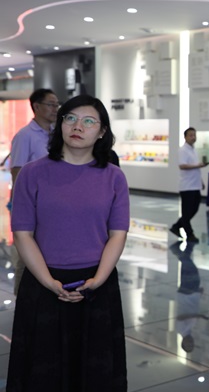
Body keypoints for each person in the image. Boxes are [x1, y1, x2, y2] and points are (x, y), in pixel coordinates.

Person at [8, 94, 129, 391]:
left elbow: (118, 233)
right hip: (43, 282)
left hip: (96, 284)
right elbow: (22, 233)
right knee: (42, 372)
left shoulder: (114, 177)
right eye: (70, 118)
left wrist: (98, 280)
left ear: (101, 132)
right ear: (60, 124)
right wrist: (48, 282)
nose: (78, 126)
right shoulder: (32, 173)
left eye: (89, 121)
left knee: (95, 371)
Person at [9, 88, 60, 295]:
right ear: (36, 107)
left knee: (46, 250)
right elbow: (17, 171)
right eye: (50, 104)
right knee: (27, 253)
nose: (55, 109)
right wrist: (21, 206)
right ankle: (21, 296)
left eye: (57, 105)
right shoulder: (25, 136)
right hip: (31, 204)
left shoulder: (57, 134)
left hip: (53, 204)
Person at [170, 127, 209, 243]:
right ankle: (189, 234)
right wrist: (198, 165)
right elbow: (182, 166)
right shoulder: (183, 150)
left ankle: (177, 226)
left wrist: (201, 181)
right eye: (191, 135)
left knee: (194, 209)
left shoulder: (193, 150)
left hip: (195, 185)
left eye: (194, 135)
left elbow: (195, 167)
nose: (193, 137)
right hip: (187, 186)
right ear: (185, 137)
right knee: (187, 212)